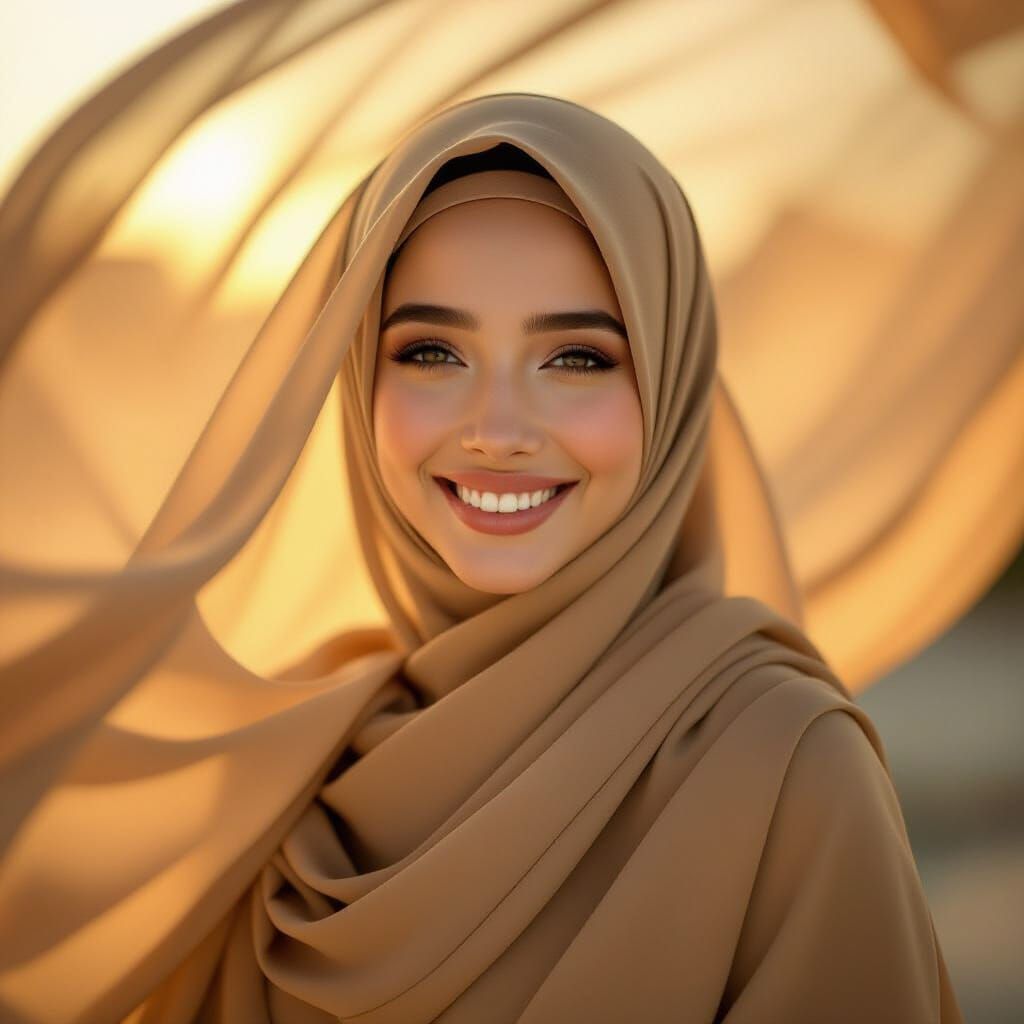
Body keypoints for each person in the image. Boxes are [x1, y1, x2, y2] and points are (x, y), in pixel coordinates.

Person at [0, 93, 964, 1023]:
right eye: (430, 352)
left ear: (670, 389)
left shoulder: (783, 765)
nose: (497, 430)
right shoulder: (286, 775)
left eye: (578, 358)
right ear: (353, 379)